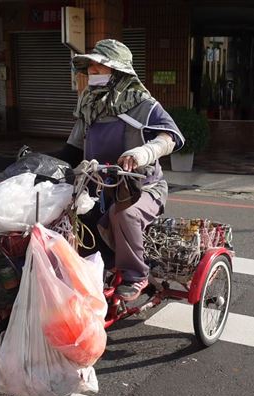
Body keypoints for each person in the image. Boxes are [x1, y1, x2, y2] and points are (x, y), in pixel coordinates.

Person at [61, 39, 185, 302]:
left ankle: (136, 274)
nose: (93, 76)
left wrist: (143, 153)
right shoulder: (89, 103)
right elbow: (72, 148)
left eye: (99, 70)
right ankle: (93, 270)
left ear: (118, 72)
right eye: (91, 70)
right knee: (66, 215)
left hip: (141, 188)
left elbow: (172, 137)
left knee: (123, 214)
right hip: (95, 185)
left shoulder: (143, 104)